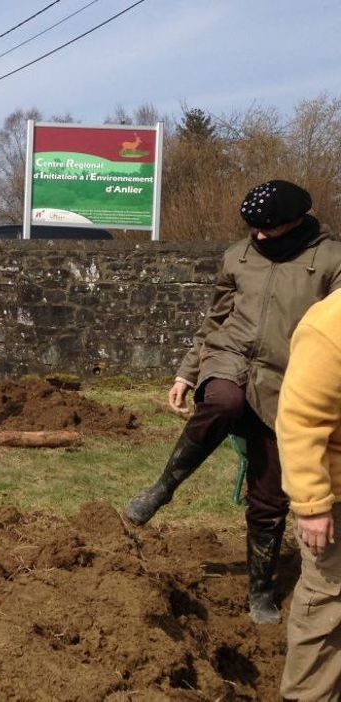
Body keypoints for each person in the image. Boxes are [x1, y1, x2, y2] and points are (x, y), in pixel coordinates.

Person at [124, 180, 341, 624]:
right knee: (221, 400)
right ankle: (164, 487)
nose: (257, 236)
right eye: (251, 228)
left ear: (295, 221)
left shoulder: (331, 261)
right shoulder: (237, 256)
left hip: (287, 381)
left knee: (268, 497)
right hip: (231, 356)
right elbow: (215, 319)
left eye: (267, 228)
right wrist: (187, 372)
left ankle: (260, 590)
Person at [277, 288, 341, 699]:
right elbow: (300, 420)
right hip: (334, 497)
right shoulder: (328, 326)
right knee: (325, 602)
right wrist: (313, 505)